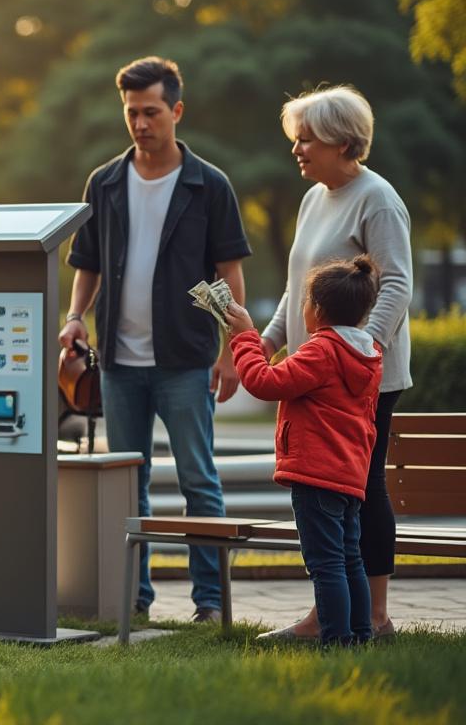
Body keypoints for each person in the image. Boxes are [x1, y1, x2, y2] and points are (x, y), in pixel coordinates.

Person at [59, 57, 252, 622]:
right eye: (131, 113)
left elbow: (229, 274)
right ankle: (133, 601)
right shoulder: (105, 181)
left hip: (186, 361)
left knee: (200, 480)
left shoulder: (208, 184)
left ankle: (211, 603)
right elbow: (87, 264)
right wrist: (75, 316)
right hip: (118, 363)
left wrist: (232, 351)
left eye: (151, 112)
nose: (141, 123)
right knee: (128, 485)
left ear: (176, 111)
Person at [255, 85, 413, 642]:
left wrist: (359, 348)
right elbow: (299, 285)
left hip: (364, 378)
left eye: (307, 140)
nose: (297, 149)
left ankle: (371, 616)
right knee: (331, 496)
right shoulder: (314, 196)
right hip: (321, 372)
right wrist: (271, 338)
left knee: (361, 490)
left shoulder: (378, 198)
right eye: (296, 139)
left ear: (344, 143)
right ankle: (333, 612)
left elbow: (396, 282)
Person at [226, 256, 383, 645]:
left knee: (326, 564)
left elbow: (262, 382)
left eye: (305, 302)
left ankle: (336, 641)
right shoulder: (367, 354)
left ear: (317, 310)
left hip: (316, 476)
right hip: (348, 477)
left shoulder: (322, 350)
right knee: (351, 560)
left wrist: (245, 337)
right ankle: (360, 636)